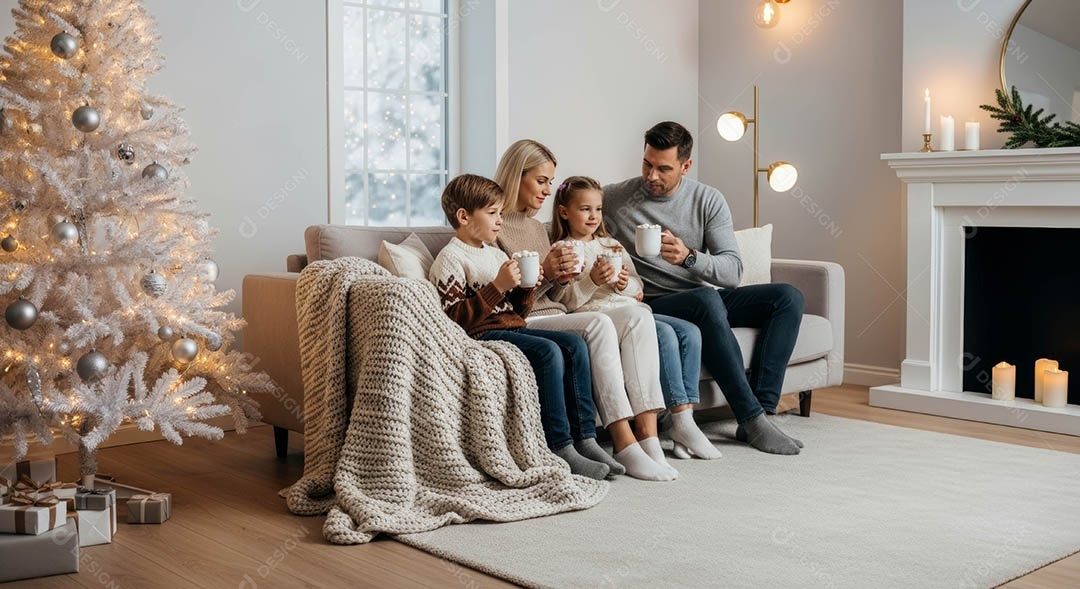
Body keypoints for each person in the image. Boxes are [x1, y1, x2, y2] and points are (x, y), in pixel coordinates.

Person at [604, 121, 805, 456]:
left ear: (686, 166)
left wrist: (689, 257)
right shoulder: (615, 197)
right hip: (650, 302)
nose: (652, 176)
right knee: (706, 298)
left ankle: (762, 412)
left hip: (700, 296)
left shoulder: (707, 199)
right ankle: (750, 415)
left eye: (663, 169)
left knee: (787, 298)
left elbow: (733, 271)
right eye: (647, 164)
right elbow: (572, 203)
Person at [496, 139, 680, 476]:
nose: (547, 191)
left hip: (559, 314)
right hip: (527, 319)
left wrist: (558, 277)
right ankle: (623, 440)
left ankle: (649, 436)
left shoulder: (537, 227)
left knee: (640, 315)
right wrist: (552, 276)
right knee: (598, 323)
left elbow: (556, 289)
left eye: (551, 182)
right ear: (515, 176)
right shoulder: (494, 225)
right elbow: (507, 295)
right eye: (540, 181)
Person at [428, 174, 610, 480]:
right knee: (549, 352)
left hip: (510, 326)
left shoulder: (496, 253)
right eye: (492, 213)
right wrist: (498, 286)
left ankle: (586, 439)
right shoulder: (450, 258)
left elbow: (517, 313)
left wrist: (525, 289)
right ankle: (559, 445)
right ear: (463, 216)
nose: (500, 220)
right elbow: (454, 319)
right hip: (479, 335)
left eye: (500, 212)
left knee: (574, 345)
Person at [550, 176, 722, 464]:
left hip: (630, 309)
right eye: (585, 209)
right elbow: (564, 302)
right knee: (664, 333)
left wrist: (622, 283)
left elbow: (638, 288)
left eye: (598, 209)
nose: (594, 216)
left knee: (688, 331)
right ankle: (652, 435)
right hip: (599, 316)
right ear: (565, 212)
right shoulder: (564, 251)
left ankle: (682, 419)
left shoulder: (612, 245)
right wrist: (592, 281)